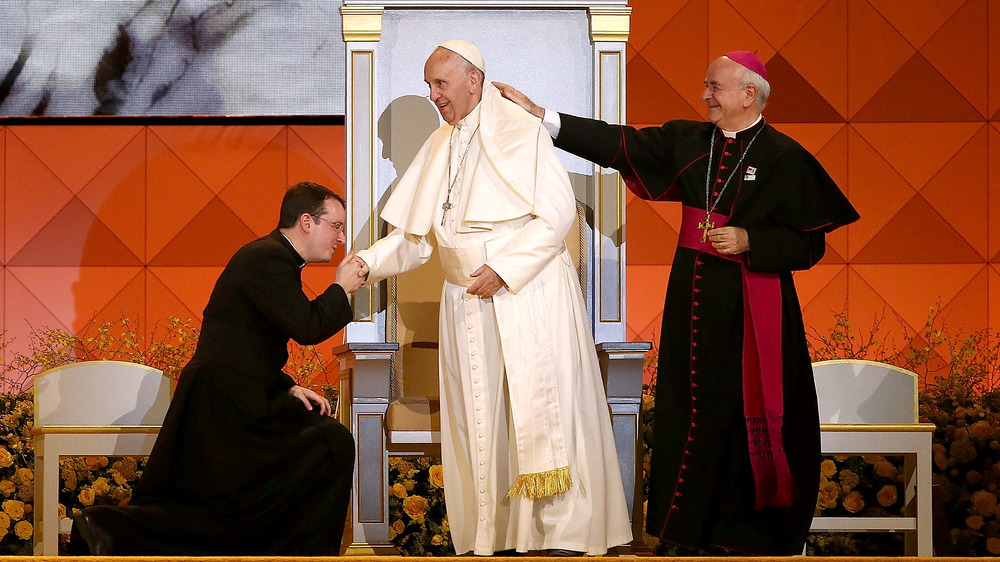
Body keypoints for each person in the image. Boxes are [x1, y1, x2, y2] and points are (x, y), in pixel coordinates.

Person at [495, 51, 860, 555]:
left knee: (739, 413)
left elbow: (810, 244)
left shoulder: (785, 156)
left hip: (754, 308)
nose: (706, 95)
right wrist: (544, 117)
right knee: (686, 409)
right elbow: (618, 143)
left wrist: (752, 239)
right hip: (692, 296)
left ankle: (744, 535)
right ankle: (682, 531)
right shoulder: (690, 140)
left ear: (748, 94)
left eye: (715, 87)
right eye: (706, 85)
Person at [353, 40, 632, 556]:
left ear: (473, 80)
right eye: (428, 85)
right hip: (465, 302)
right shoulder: (440, 145)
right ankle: (496, 535)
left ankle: (557, 537)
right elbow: (416, 240)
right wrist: (367, 263)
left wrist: (505, 268)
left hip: (528, 296)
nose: (434, 94)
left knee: (536, 412)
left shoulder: (522, 132)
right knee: (480, 421)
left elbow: (556, 215)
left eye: (440, 83)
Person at [69, 181, 368, 555]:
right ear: (307, 221)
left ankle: (109, 528)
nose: (340, 237)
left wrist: (287, 385)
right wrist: (341, 288)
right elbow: (307, 326)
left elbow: (244, 341)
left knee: (241, 499)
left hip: (235, 393)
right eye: (336, 225)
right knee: (326, 447)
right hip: (227, 403)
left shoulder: (271, 258)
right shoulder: (269, 258)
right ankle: (106, 526)